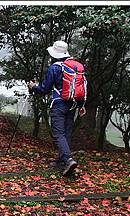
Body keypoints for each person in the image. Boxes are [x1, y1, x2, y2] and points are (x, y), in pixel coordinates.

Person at [27, 40, 86, 176]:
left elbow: (44, 89)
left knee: (58, 134)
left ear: (55, 54)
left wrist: (33, 87)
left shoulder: (55, 67)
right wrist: (82, 106)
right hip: (73, 105)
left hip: (58, 104)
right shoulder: (76, 67)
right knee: (66, 133)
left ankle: (68, 160)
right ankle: (61, 160)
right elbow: (81, 88)